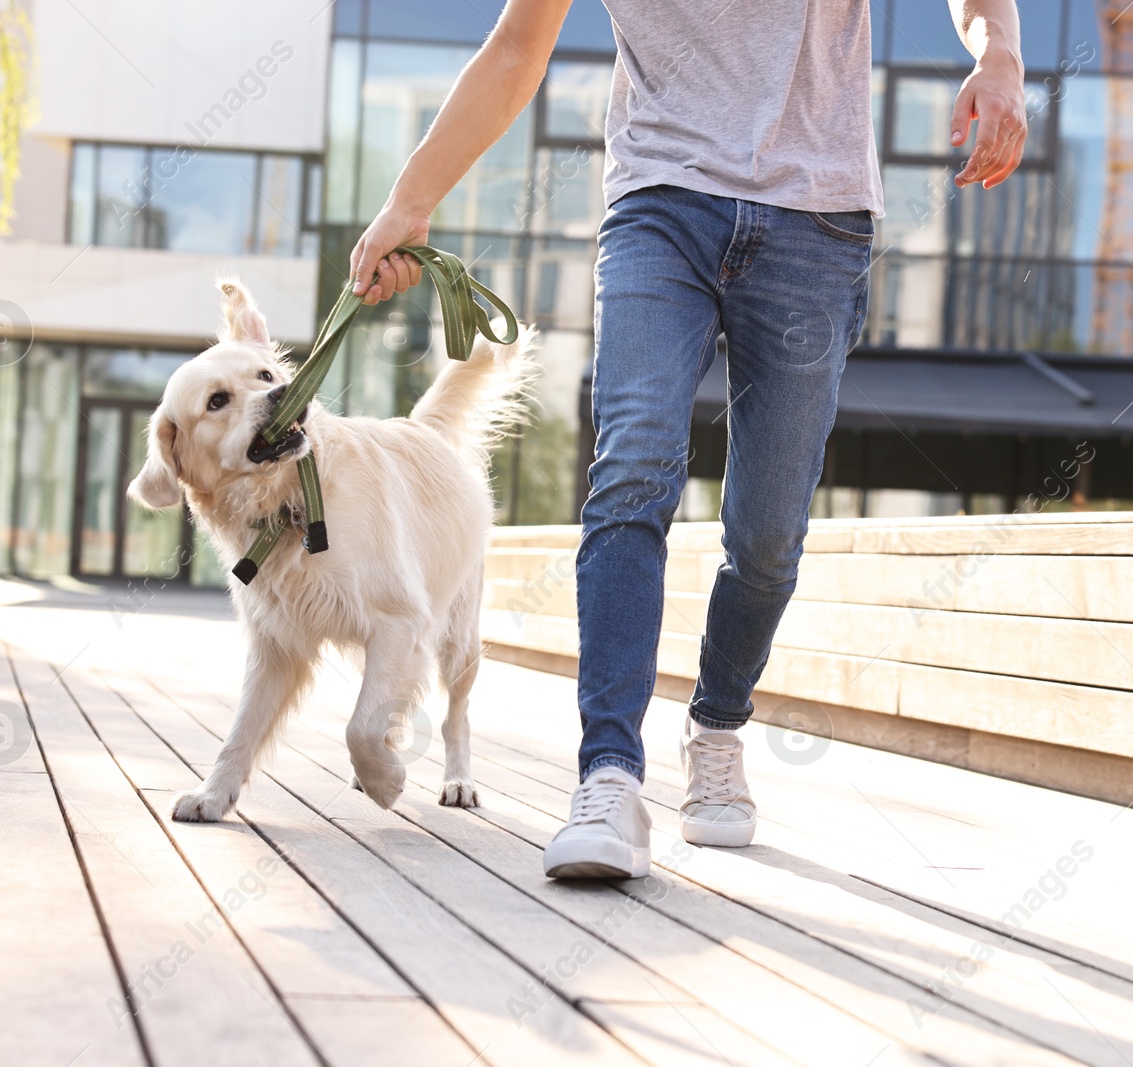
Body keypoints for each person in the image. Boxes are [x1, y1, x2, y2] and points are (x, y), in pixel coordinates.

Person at [350, 0, 1029, 878]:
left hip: (814, 217)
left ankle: (716, 724)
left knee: (768, 532)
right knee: (632, 468)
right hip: (660, 201)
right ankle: (608, 776)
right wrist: (411, 200)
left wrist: (1001, 53)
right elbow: (521, 43)